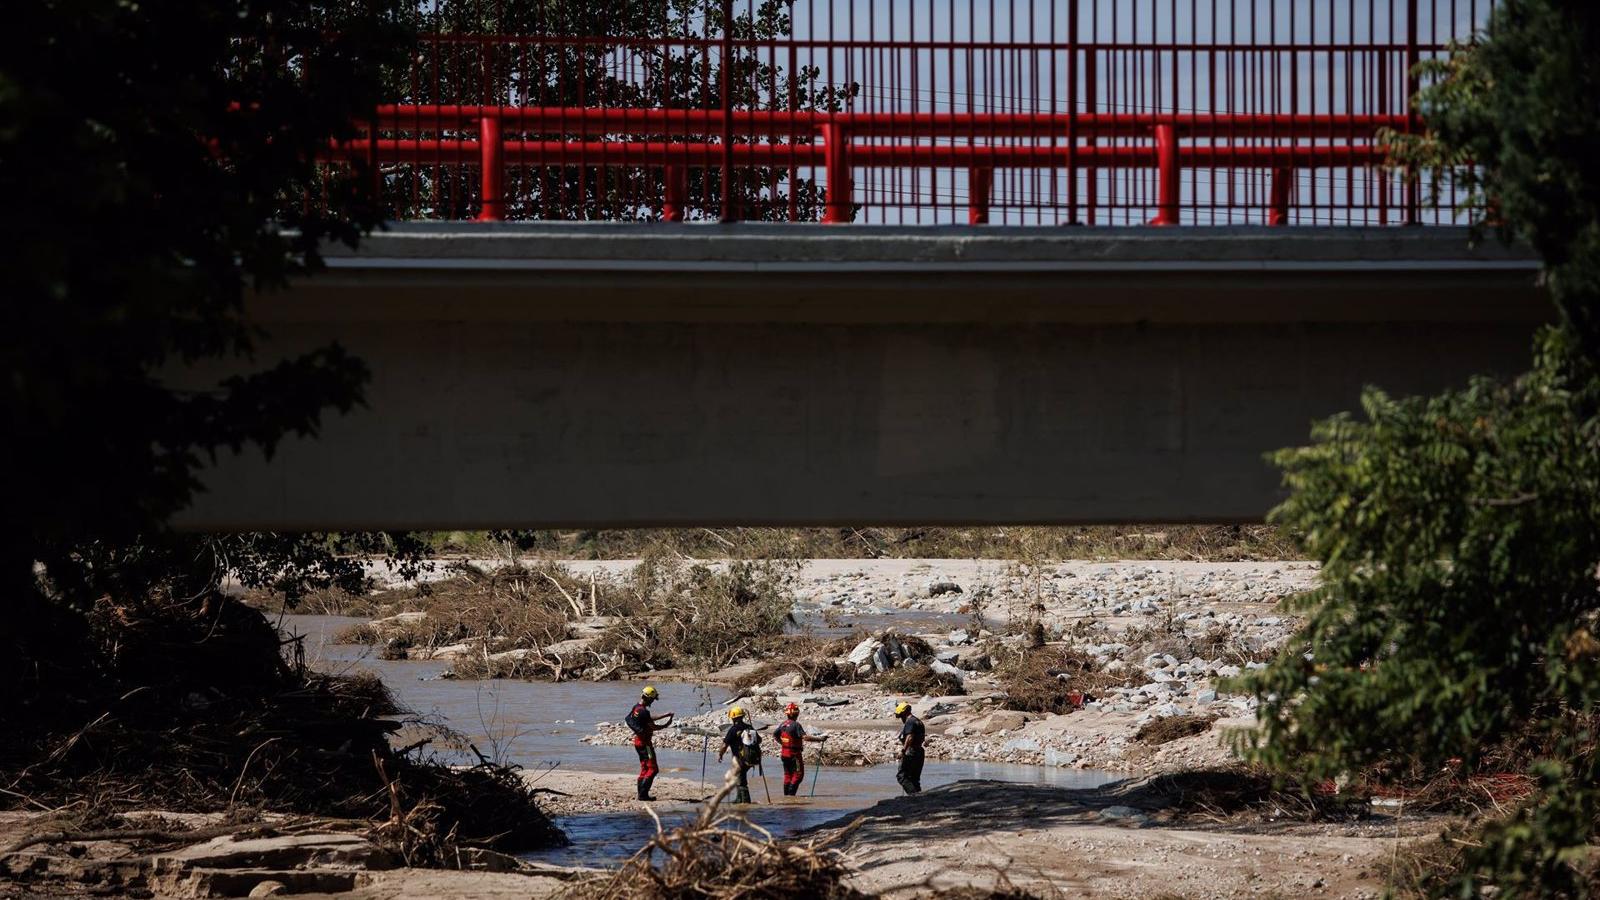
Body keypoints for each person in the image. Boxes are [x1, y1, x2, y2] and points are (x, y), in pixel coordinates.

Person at [626, 685, 673, 801]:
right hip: (645, 744)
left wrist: (664, 715)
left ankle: (641, 794)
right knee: (653, 769)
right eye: (652, 699)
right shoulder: (643, 712)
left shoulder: (637, 708)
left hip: (638, 742)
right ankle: (643, 795)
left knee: (644, 768)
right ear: (648, 698)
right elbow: (653, 726)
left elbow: (648, 718)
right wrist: (666, 725)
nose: (653, 701)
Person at [774, 701, 828, 796]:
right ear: (797, 713)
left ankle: (786, 797)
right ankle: (791, 797)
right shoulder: (796, 725)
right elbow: (805, 737)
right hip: (794, 754)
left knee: (788, 775)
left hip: (784, 754)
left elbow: (775, 734)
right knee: (798, 775)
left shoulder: (783, 724)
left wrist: (782, 743)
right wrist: (820, 739)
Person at [715, 706, 758, 803]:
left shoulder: (733, 730)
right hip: (750, 758)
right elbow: (759, 740)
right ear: (742, 716)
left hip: (740, 759)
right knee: (740, 778)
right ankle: (739, 800)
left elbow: (725, 745)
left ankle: (745, 802)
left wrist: (720, 755)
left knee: (741, 781)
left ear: (733, 718)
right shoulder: (749, 727)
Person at [893, 701, 924, 795]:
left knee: (902, 776)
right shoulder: (918, 721)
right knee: (914, 777)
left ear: (905, 712)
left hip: (912, 751)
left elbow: (910, 737)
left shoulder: (910, 722)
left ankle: (913, 795)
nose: (901, 719)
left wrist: (903, 751)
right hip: (919, 751)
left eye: (901, 716)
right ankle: (919, 796)